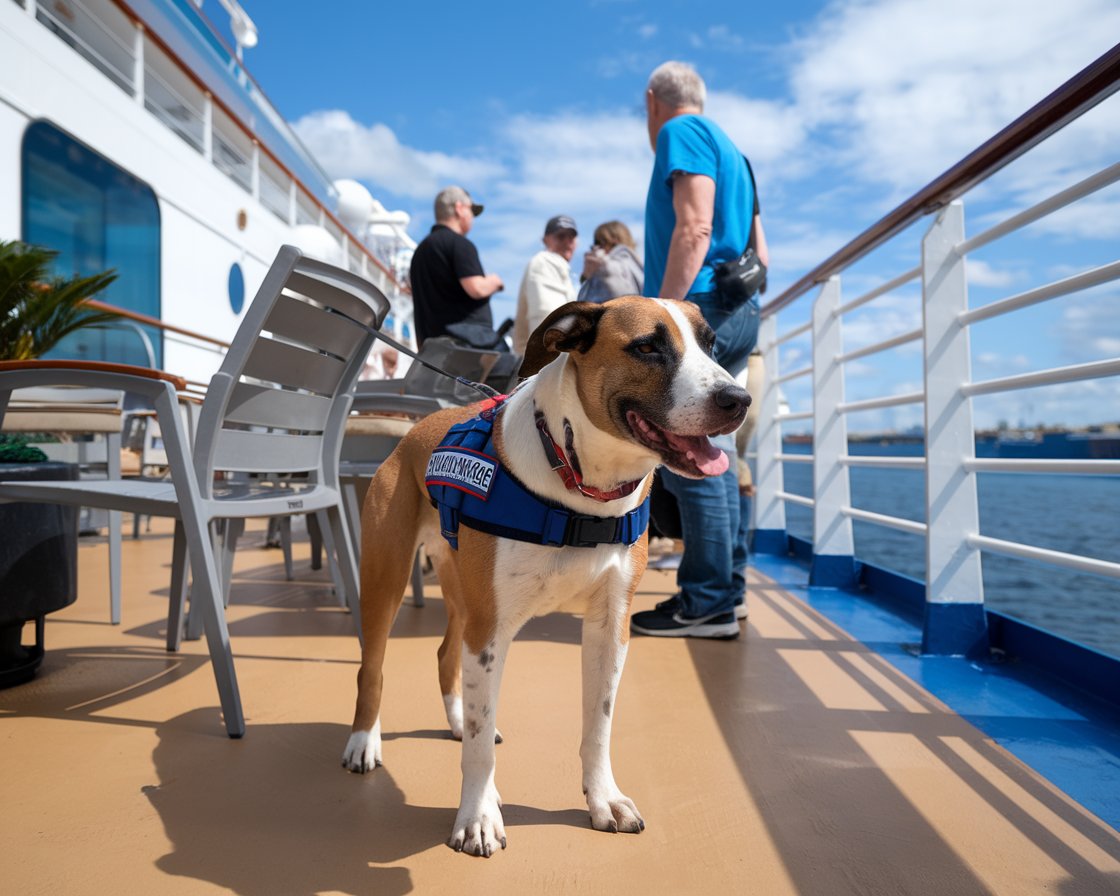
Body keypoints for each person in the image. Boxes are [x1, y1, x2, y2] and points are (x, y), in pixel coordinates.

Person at [630, 61, 767, 641]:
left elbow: (694, 228)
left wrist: (663, 313)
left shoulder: (680, 133)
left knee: (687, 457)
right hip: (738, 309)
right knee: (714, 452)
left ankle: (707, 601)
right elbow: (763, 254)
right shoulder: (737, 152)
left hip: (699, 306)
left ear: (651, 102)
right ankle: (727, 592)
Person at [409, 185, 504, 347]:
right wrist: (495, 282)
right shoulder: (459, 244)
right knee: (518, 367)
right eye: (471, 210)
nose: (472, 217)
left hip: (431, 349)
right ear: (459, 208)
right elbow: (476, 288)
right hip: (467, 345)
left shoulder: (419, 252)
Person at [511, 215, 579, 355]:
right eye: (561, 236)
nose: (567, 241)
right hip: (547, 364)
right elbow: (550, 322)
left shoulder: (560, 269)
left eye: (571, 237)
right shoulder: (543, 262)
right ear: (545, 240)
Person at [577, 220, 644, 302]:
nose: (596, 247)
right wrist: (585, 277)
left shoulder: (612, 264)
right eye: (595, 243)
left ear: (614, 241)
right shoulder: (637, 267)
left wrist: (599, 262)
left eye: (599, 242)